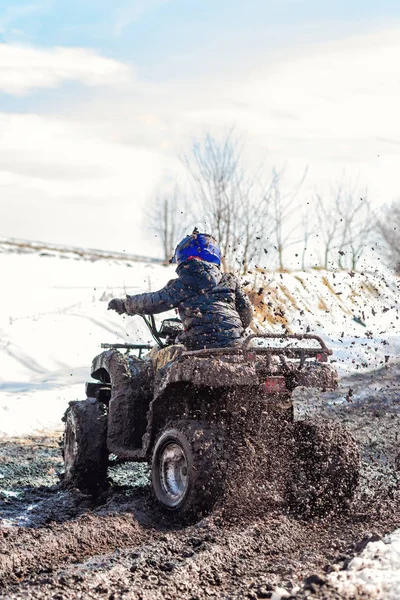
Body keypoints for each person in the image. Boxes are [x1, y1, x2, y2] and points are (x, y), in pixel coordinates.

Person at [108, 230, 253, 352]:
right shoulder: (230, 280)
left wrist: (125, 305)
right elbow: (246, 313)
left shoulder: (182, 284)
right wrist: (228, 332)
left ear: (183, 258)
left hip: (198, 346)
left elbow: (152, 302)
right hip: (237, 345)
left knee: (160, 365)